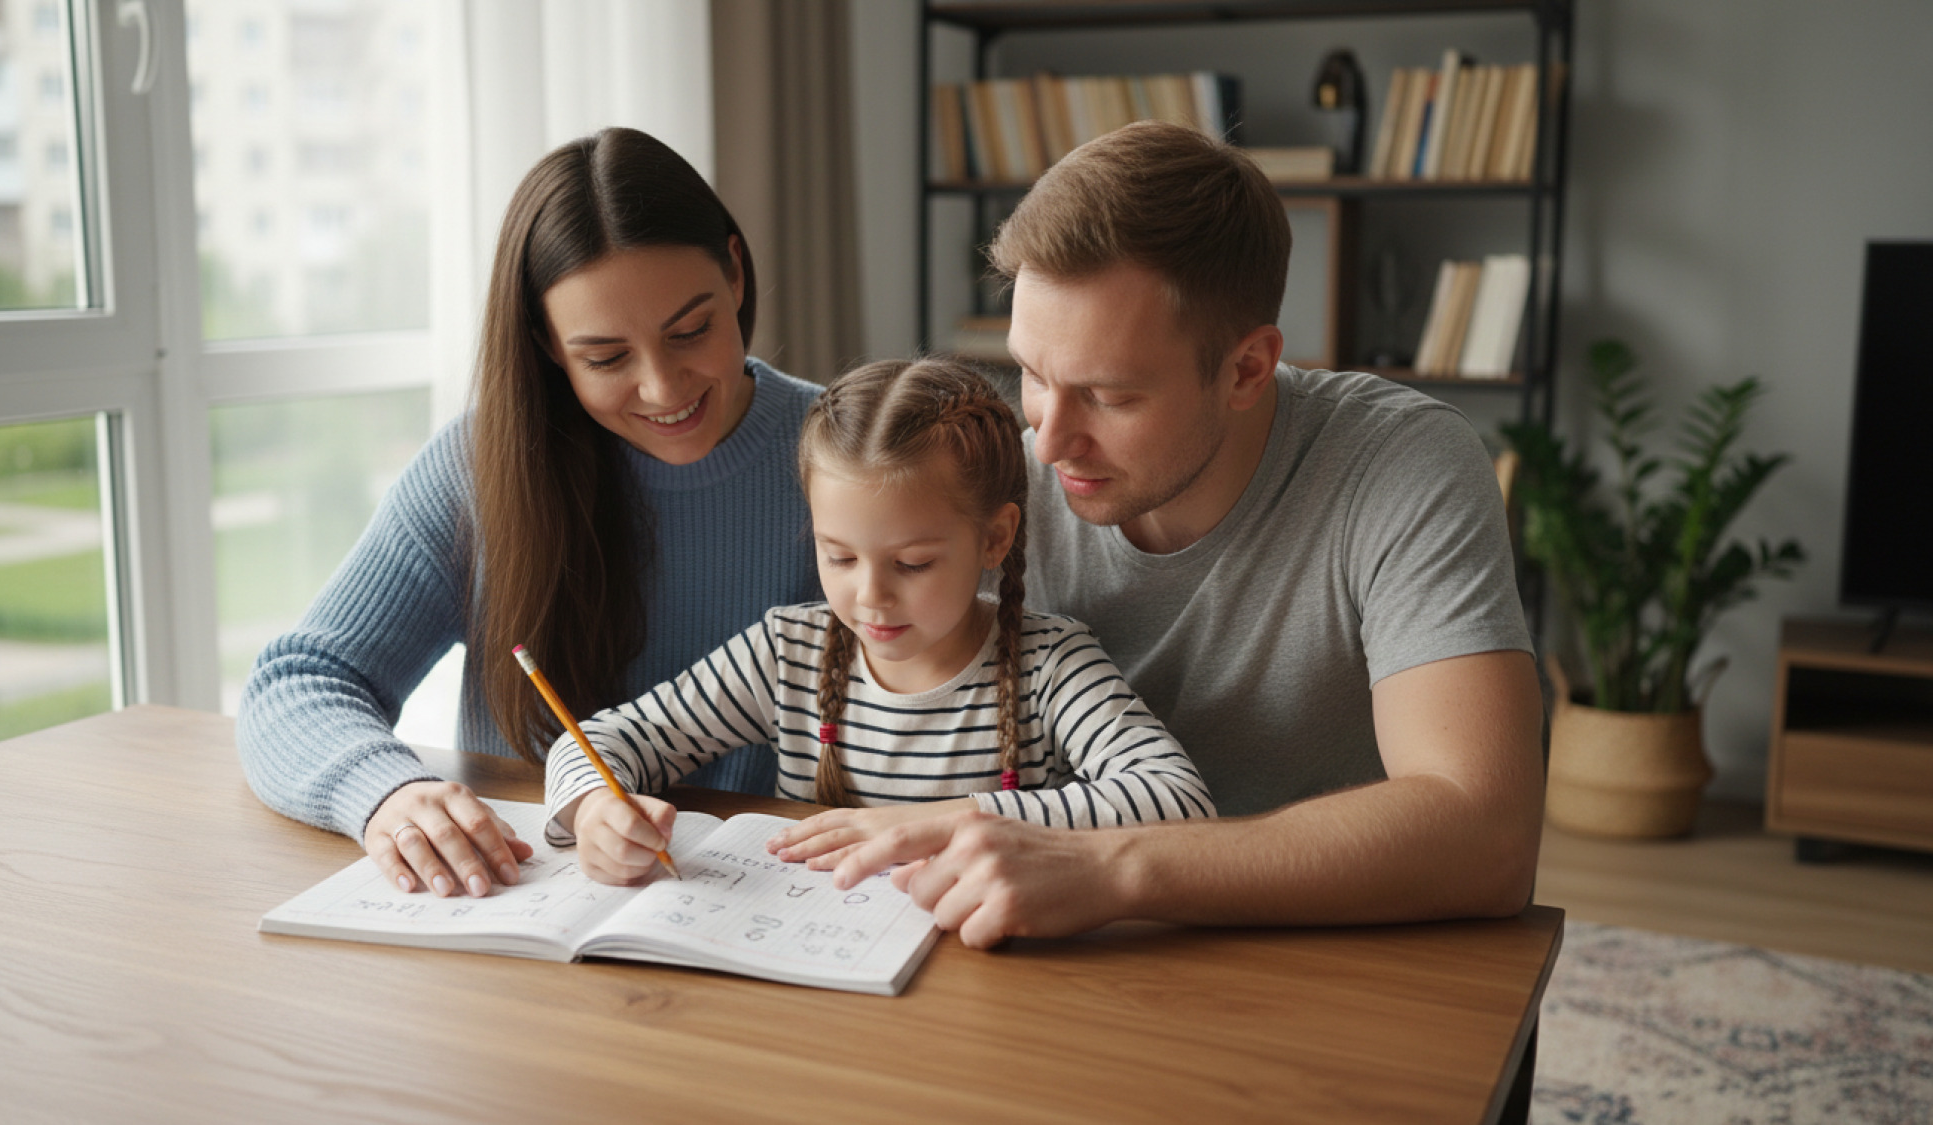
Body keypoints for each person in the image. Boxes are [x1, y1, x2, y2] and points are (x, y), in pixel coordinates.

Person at [831, 121, 1545, 948]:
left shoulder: (1400, 464)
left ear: (1246, 368)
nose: (1050, 441)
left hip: (1330, 964)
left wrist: (1116, 866)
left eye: (1109, 395)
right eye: (1030, 373)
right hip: (1052, 960)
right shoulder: (996, 489)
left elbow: (1487, 836)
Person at [236, 128, 823, 902]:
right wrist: (385, 793)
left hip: (773, 912)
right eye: (607, 358)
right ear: (549, 343)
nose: (662, 387)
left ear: (737, 273)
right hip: (528, 920)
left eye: (691, 331)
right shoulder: (484, 468)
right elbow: (300, 680)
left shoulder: (850, 455)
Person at [543, 359, 1214, 885]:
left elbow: (1178, 801)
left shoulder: (1048, 664)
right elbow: (596, 740)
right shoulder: (789, 654)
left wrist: (943, 822)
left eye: (913, 563)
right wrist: (597, 810)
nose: (870, 597)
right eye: (838, 556)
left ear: (994, 537)